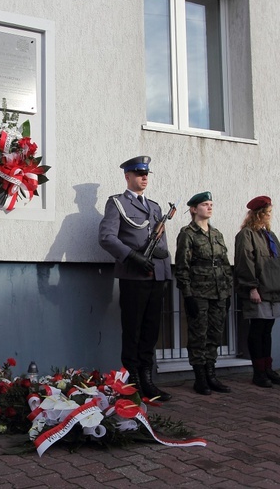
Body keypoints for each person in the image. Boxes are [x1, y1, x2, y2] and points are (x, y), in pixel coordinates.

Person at [98, 156, 172, 401]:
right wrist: (131, 256)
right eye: (139, 173)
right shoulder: (117, 203)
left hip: (156, 276)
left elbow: (161, 241)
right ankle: (133, 381)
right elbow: (107, 237)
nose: (144, 178)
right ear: (127, 176)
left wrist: (166, 271)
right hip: (134, 275)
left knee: (151, 331)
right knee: (133, 330)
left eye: (146, 174)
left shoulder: (155, 206)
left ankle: (148, 379)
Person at [174, 191, 233, 395]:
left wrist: (228, 292)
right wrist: (187, 294)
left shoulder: (217, 235)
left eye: (211, 204)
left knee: (214, 334)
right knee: (198, 335)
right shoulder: (187, 234)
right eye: (205, 204)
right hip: (198, 292)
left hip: (219, 292)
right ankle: (200, 378)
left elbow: (225, 265)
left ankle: (211, 374)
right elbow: (182, 266)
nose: (209, 207)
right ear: (193, 209)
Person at [234, 195, 280, 388]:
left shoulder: (270, 236)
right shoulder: (247, 235)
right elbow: (245, 262)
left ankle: (267, 368)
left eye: (270, 213)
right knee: (257, 331)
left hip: (273, 291)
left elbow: (279, 264)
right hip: (259, 290)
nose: (269, 216)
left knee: (267, 331)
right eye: (266, 213)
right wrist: (251, 287)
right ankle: (258, 372)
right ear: (257, 214)